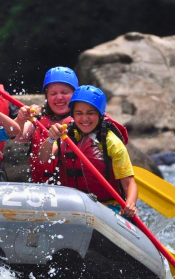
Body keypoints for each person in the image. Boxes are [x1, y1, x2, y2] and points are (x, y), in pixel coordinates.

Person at [39, 85, 138, 218]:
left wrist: (131, 203)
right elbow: (43, 157)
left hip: (107, 205)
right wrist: (51, 139)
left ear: (100, 114)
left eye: (90, 113)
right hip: (71, 203)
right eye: (79, 113)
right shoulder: (66, 134)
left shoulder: (112, 143)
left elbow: (130, 183)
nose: (84, 119)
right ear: (72, 114)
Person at [15, 66, 78, 184]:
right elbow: (18, 137)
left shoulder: (84, 121)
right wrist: (21, 119)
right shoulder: (38, 118)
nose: (59, 97)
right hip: (42, 190)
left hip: (75, 193)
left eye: (65, 92)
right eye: (53, 93)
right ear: (47, 97)